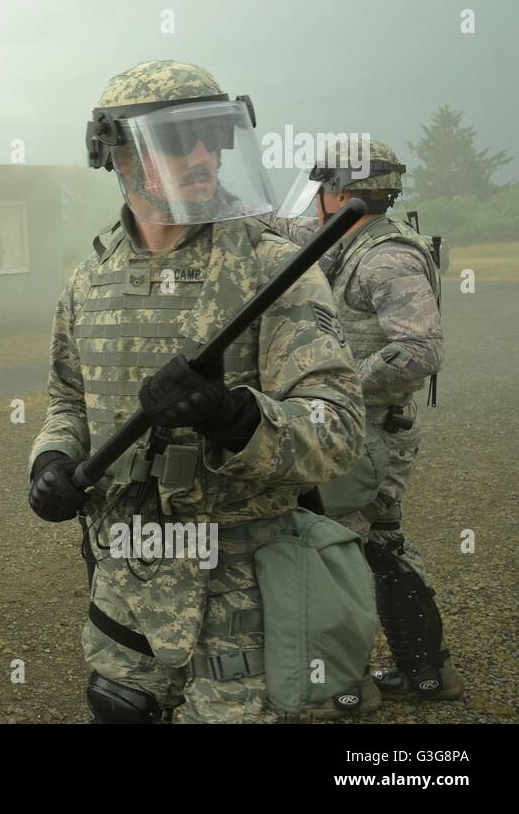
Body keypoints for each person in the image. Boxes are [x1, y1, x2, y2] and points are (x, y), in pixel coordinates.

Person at [28, 60, 365, 722]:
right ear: (116, 153)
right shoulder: (88, 284)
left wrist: (234, 416)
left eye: (213, 135)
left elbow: (339, 428)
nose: (203, 154)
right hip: (125, 571)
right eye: (179, 140)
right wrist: (50, 462)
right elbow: (66, 397)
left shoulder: (272, 267)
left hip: (241, 588)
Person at [265, 139, 460, 703]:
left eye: (323, 189)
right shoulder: (347, 238)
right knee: (382, 544)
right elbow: (288, 229)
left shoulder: (384, 257)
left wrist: (339, 379)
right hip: (364, 427)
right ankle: (426, 670)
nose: (316, 201)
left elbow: (420, 349)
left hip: (369, 432)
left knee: (333, 549)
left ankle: (344, 686)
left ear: (343, 193)